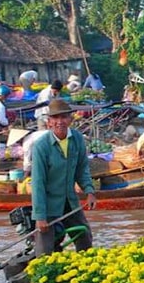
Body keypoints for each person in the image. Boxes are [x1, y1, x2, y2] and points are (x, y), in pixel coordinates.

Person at [30, 99, 96, 256]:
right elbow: (38, 183)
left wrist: (89, 191)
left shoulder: (77, 139)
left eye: (64, 117)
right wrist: (40, 216)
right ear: (49, 122)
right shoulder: (41, 146)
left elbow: (82, 169)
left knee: (84, 237)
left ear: (70, 120)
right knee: (45, 250)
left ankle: (85, 269)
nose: (60, 122)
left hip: (69, 200)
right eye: (55, 118)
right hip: (48, 204)